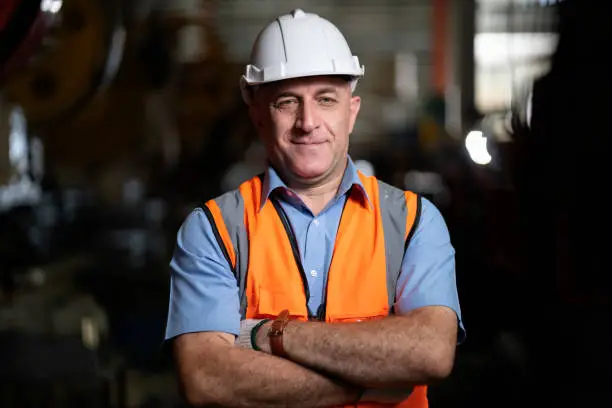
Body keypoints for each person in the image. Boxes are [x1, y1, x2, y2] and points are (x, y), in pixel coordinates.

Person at [165, 8, 465, 408]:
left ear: (351, 111)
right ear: (256, 112)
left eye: (326, 99)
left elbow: (429, 351)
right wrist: (367, 385)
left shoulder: (413, 221)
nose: (308, 122)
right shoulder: (214, 230)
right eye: (287, 102)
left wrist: (269, 335)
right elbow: (207, 379)